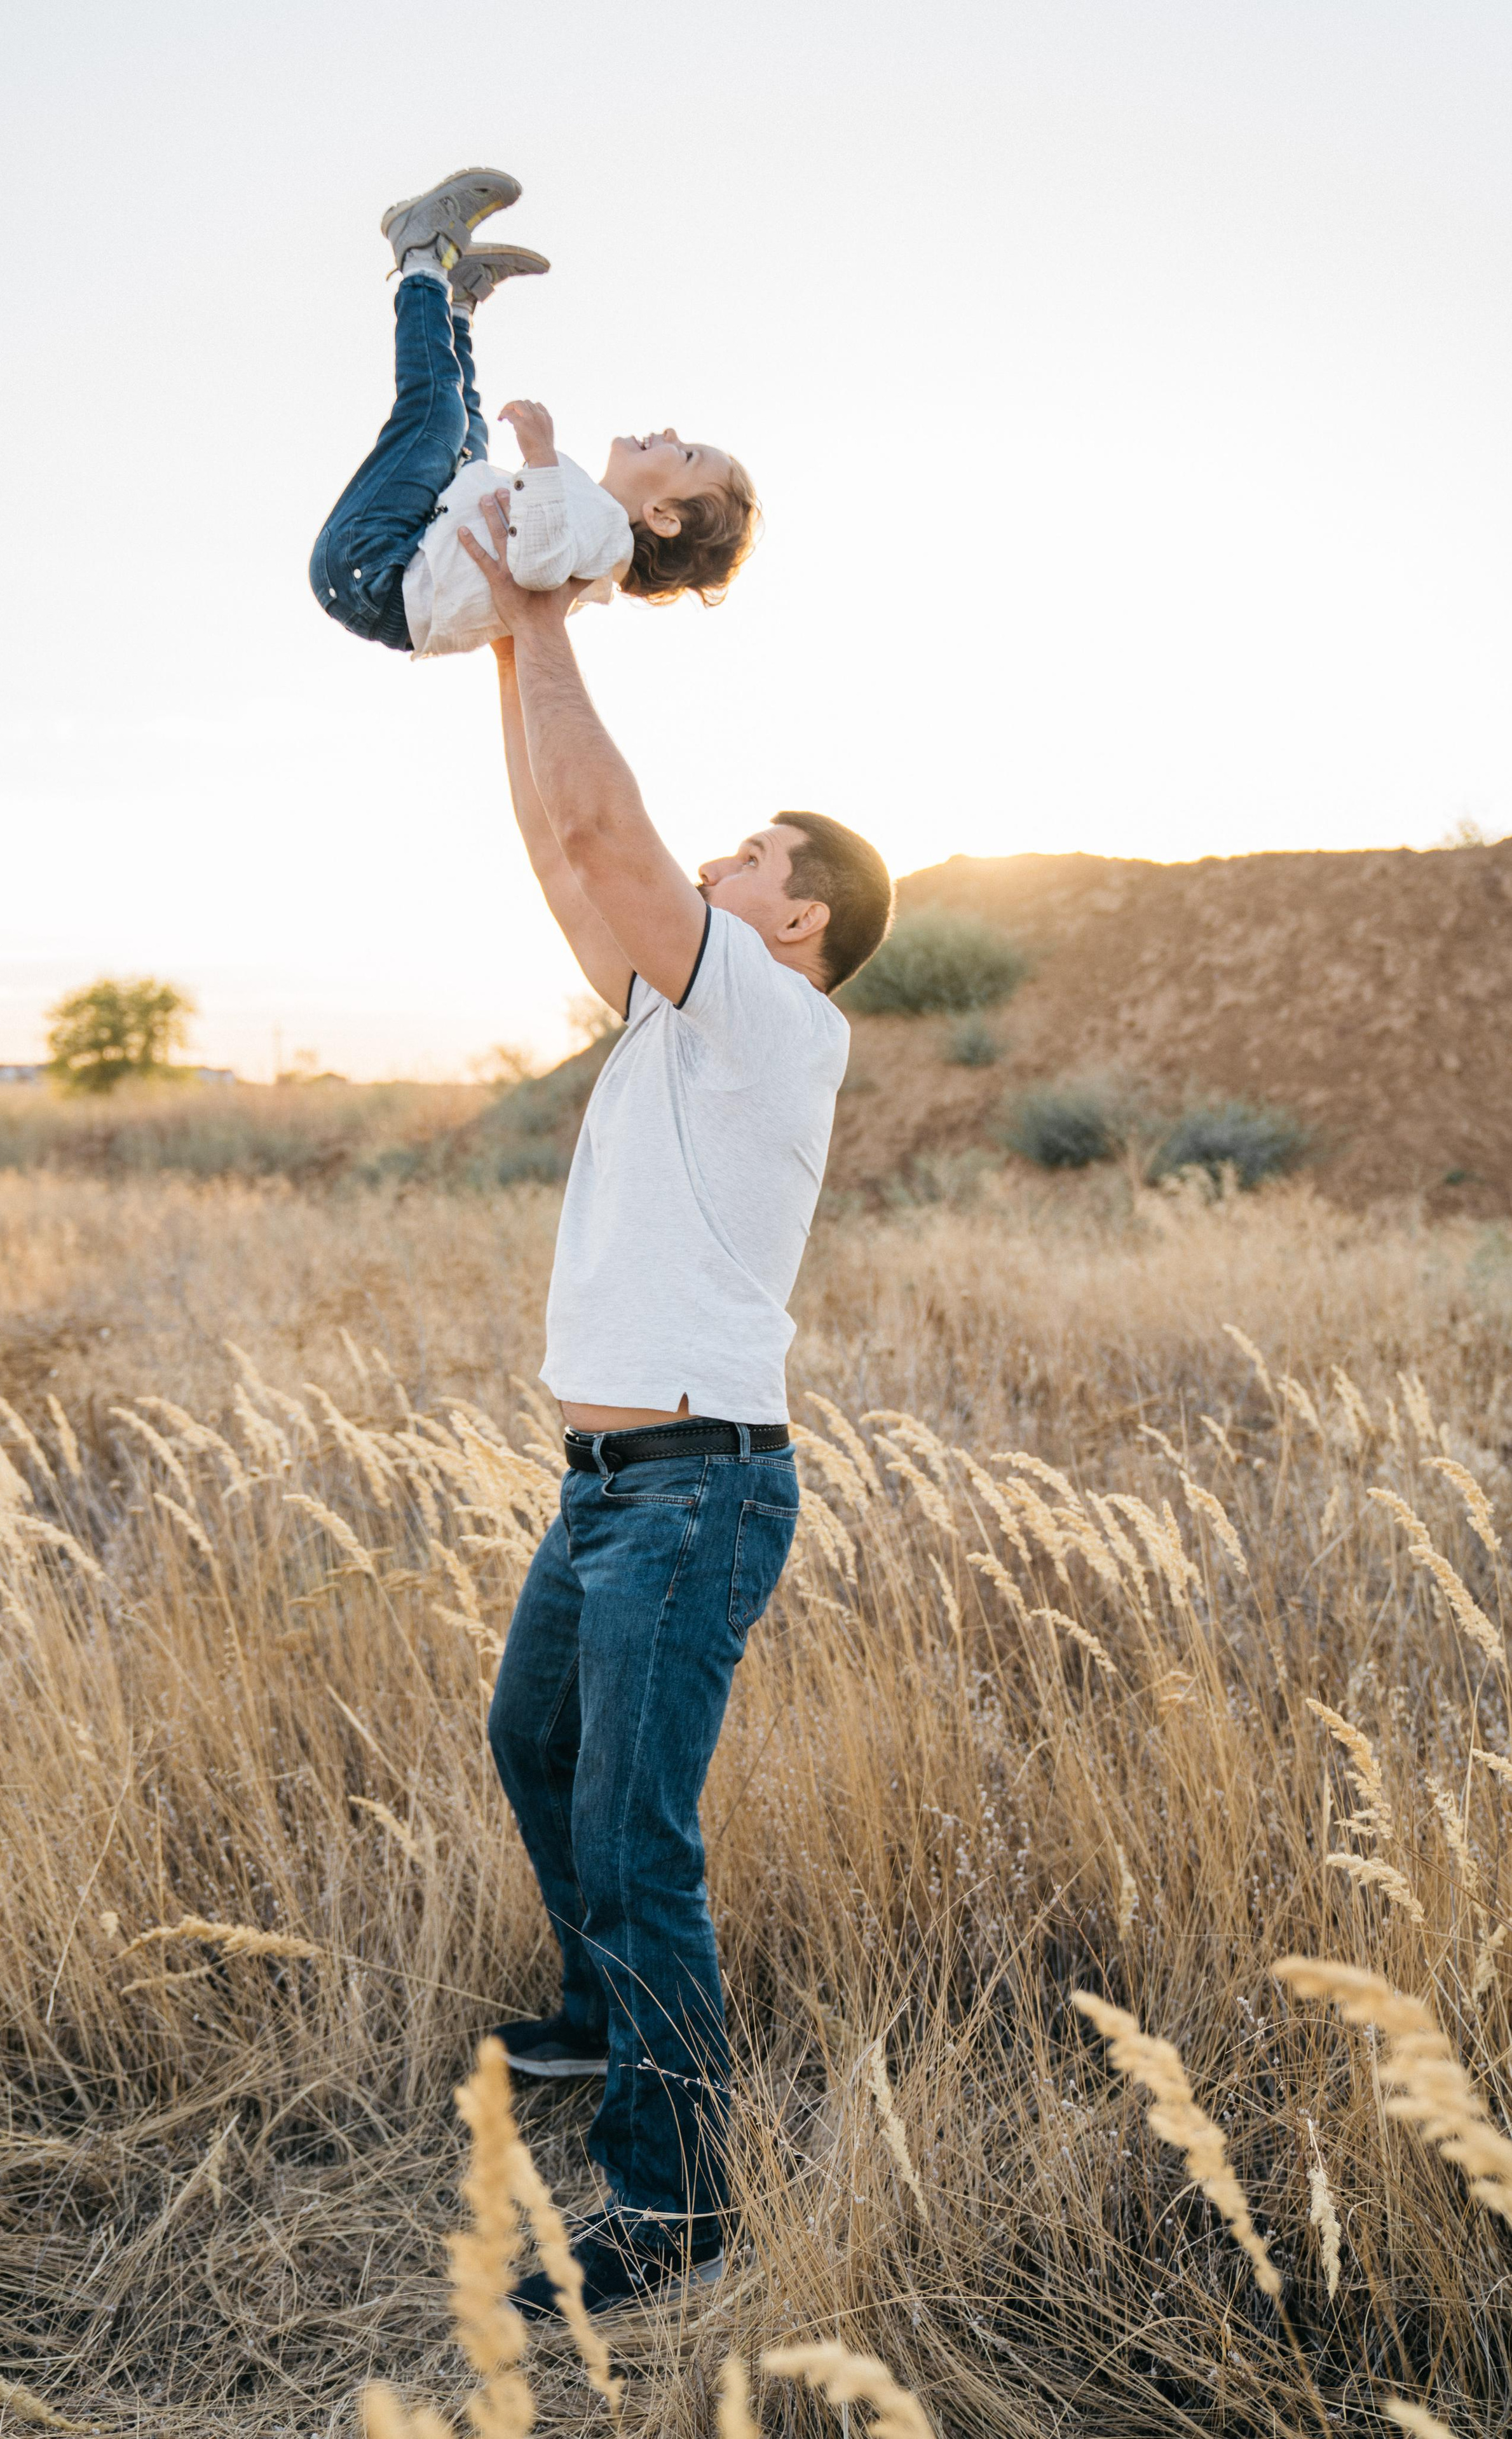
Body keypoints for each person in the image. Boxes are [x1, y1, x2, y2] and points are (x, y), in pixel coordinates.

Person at [453, 493, 893, 2318]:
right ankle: (593, 2024)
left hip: (694, 1493)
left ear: (799, 923)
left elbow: (597, 824)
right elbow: (565, 852)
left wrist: (545, 613)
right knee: (533, 1746)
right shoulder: (672, 1013)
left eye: (748, 852)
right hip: (609, 1488)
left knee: (642, 1838)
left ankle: (675, 2197)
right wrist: (505, 639)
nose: (712, 859)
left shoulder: (779, 1023)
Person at [308, 168, 758, 661]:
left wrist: (541, 458)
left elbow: (535, 566)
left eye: (688, 455)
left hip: (374, 569)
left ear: (663, 517)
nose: (672, 433)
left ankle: (422, 256)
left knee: (438, 417)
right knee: (468, 436)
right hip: (398, 567)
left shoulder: (604, 536)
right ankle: (457, 305)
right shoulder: (594, 531)